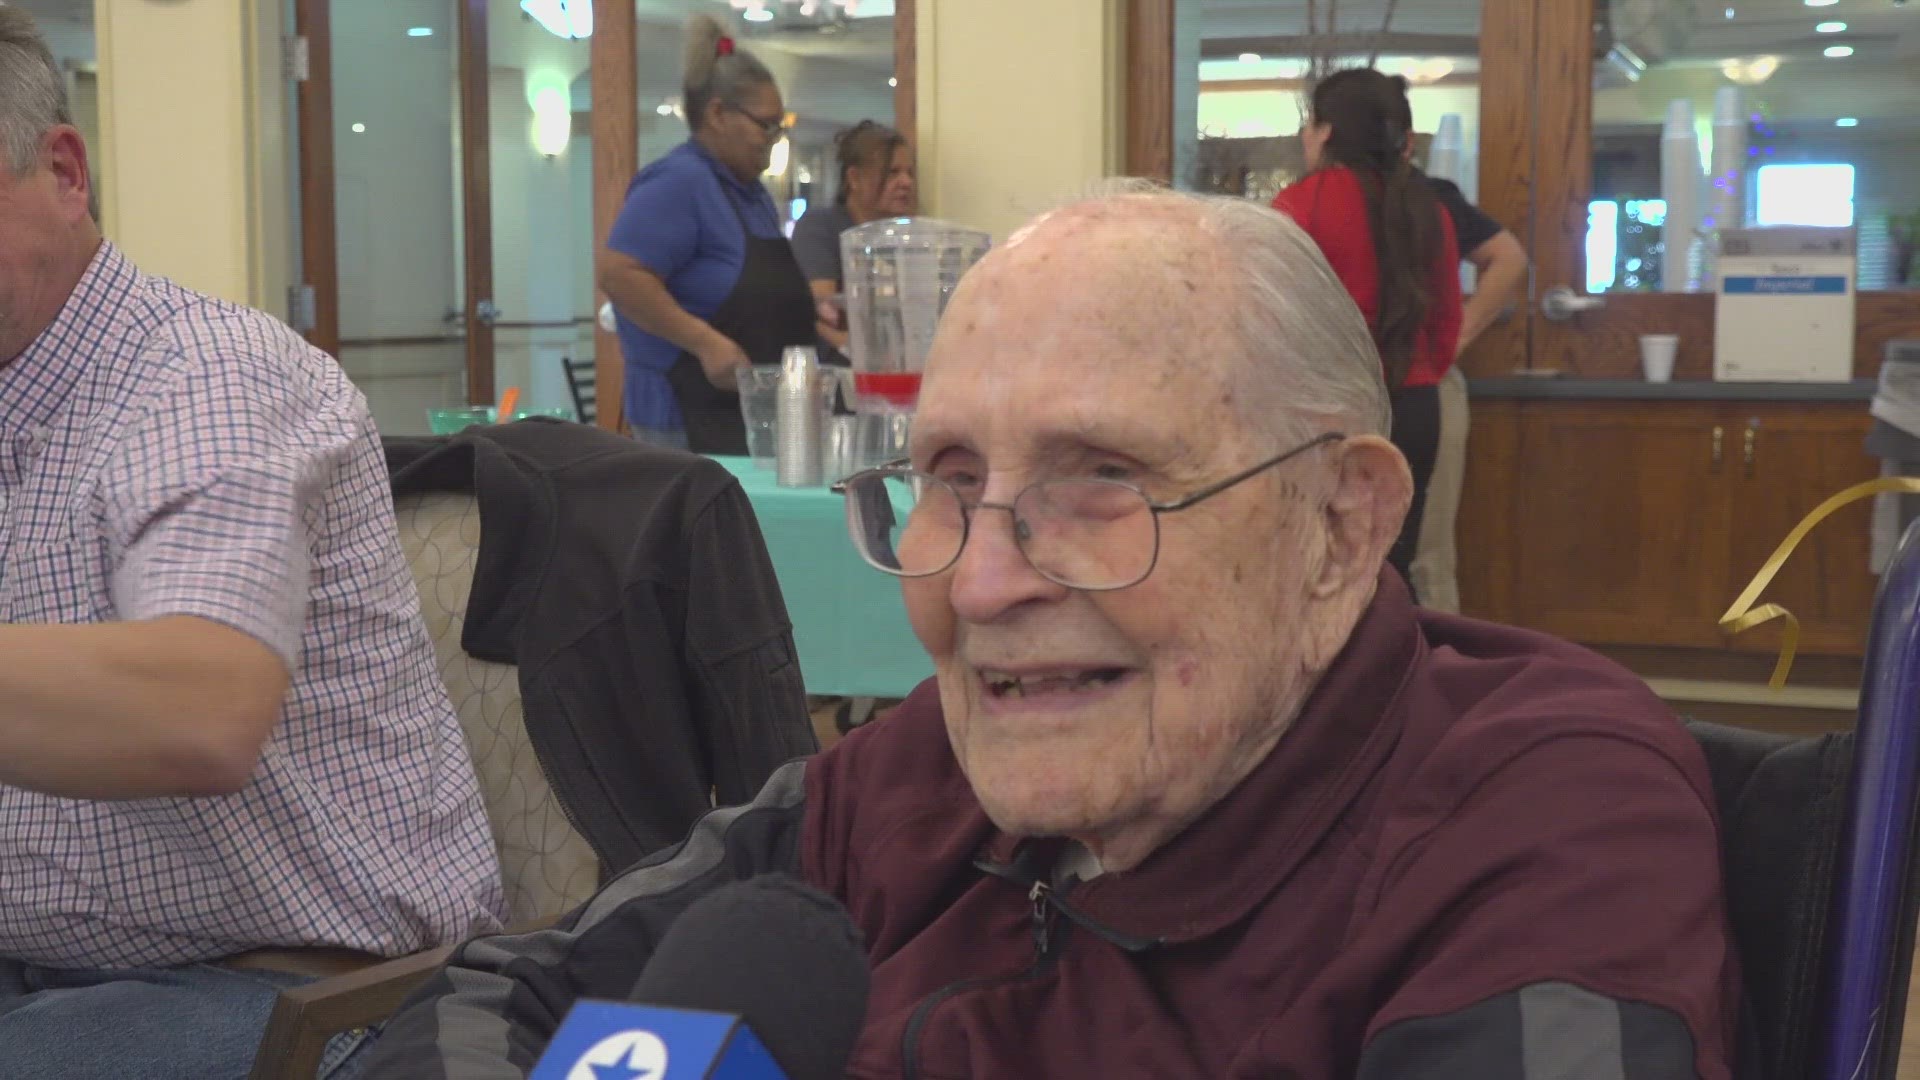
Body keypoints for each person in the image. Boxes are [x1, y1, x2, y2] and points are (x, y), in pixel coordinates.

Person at [359, 187, 1736, 1080]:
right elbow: (490, 1003)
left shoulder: (1542, 816)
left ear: (1339, 528)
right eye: (950, 482)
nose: (979, 584)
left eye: (1102, 479)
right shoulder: (910, 788)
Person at [0, 11, 503, 1078]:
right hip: (58, 974)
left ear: (63, 170)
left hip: (303, 995)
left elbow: (199, 707)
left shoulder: (207, 378)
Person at [1273, 69, 1523, 581]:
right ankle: (1402, 658)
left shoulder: (1301, 207)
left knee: (1324, 562)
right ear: (1402, 139)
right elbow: (1452, 308)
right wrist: (1444, 349)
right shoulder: (1430, 207)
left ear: (1324, 132)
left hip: (1329, 410)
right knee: (1396, 565)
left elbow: (1274, 319)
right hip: (1416, 404)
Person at [597, 15, 815, 454]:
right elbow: (620, 274)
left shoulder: (749, 193)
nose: (774, 139)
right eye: (767, 125)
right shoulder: (679, 182)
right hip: (684, 419)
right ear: (718, 114)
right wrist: (706, 343)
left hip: (746, 417)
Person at [791, 120, 916, 357]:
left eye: (910, 173)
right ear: (854, 178)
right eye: (892, 173)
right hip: (833, 372)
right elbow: (826, 313)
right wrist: (867, 354)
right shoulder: (820, 226)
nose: (906, 182)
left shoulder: (903, 236)